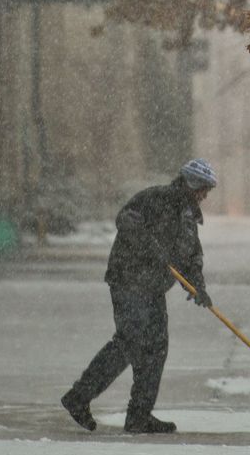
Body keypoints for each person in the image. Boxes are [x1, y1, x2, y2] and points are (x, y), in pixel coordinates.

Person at [60, 158, 217, 435]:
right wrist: (148, 246)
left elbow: (192, 257)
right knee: (130, 342)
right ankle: (79, 397)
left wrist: (198, 287)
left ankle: (139, 416)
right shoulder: (155, 198)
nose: (204, 196)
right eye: (202, 189)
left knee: (156, 348)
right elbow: (126, 219)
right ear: (190, 184)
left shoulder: (189, 218)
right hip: (129, 279)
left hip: (153, 288)